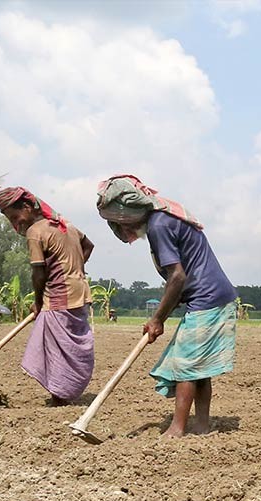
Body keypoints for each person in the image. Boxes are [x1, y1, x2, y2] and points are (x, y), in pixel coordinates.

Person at [95, 175, 237, 437]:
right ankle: (202, 426)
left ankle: (177, 429)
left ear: (127, 216)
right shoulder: (164, 219)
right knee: (199, 369)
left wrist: (158, 318)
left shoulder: (159, 225)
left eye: (118, 224)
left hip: (206, 299)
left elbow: (177, 277)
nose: (121, 231)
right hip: (213, 297)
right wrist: (161, 317)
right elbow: (180, 281)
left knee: (185, 365)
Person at [0, 187, 95, 405]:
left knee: (56, 347)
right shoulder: (64, 224)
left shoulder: (35, 232)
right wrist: (74, 268)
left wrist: (38, 302)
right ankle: (62, 391)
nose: (16, 223)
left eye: (15, 216)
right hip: (79, 291)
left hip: (59, 296)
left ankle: (60, 395)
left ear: (28, 207)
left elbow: (38, 273)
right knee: (67, 344)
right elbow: (89, 245)